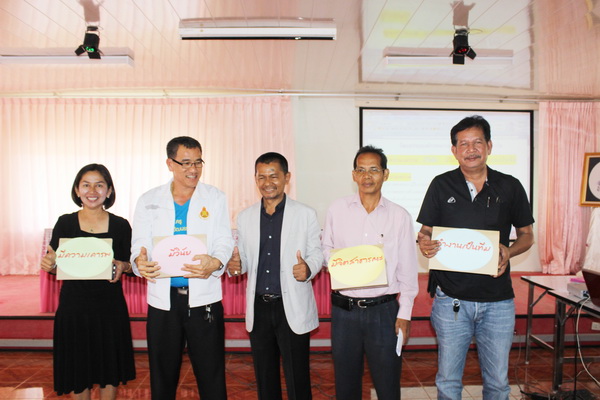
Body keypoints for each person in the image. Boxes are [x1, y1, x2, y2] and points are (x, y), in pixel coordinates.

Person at [416, 115, 534, 400]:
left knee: (498, 383)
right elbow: (426, 231)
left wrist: (509, 250)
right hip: (451, 299)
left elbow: (527, 235)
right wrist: (424, 242)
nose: (471, 149)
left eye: (477, 142)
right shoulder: (441, 185)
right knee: (448, 381)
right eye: (463, 144)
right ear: (454, 150)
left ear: (489, 146)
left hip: (498, 301)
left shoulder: (510, 186)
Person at [130, 136, 233, 400]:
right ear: (170, 164)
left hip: (203, 299)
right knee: (162, 376)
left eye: (198, 162)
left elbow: (224, 240)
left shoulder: (215, 197)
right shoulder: (148, 200)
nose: (193, 169)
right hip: (163, 302)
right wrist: (139, 262)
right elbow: (139, 244)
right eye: (186, 163)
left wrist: (216, 262)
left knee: (211, 374)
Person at [321, 145, 419, 400]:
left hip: (384, 313)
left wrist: (405, 314)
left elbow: (408, 270)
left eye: (374, 170)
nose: (367, 176)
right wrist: (340, 262)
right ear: (354, 175)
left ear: (385, 174)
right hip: (345, 312)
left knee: (387, 385)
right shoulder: (337, 209)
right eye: (361, 170)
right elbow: (326, 249)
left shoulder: (399, 216)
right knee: (346, 386)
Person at [226, 152, 323, 400]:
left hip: (291, 305)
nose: (267, 182)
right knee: (265, 377)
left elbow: (316, 253)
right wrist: (236, 265)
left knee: (297, 377)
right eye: (261, 177)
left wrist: (308, 268)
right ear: (255, 179)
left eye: (273, 176)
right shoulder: (245, 217)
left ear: (287, 177)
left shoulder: (305, 214)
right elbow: (243, 259)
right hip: (259, 307)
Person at [40, 164, 136, 399]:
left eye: (99, 185)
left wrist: (124, 266)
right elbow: (56, 264)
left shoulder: (121, 225)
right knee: (77, 369)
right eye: (86, 185)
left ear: (109, 191)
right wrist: (50, 265)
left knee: (109, 368)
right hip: (74, 308)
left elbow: (134, 266)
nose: (92, 191)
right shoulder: (65, 223)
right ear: (77, 190)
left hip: (109, 308)